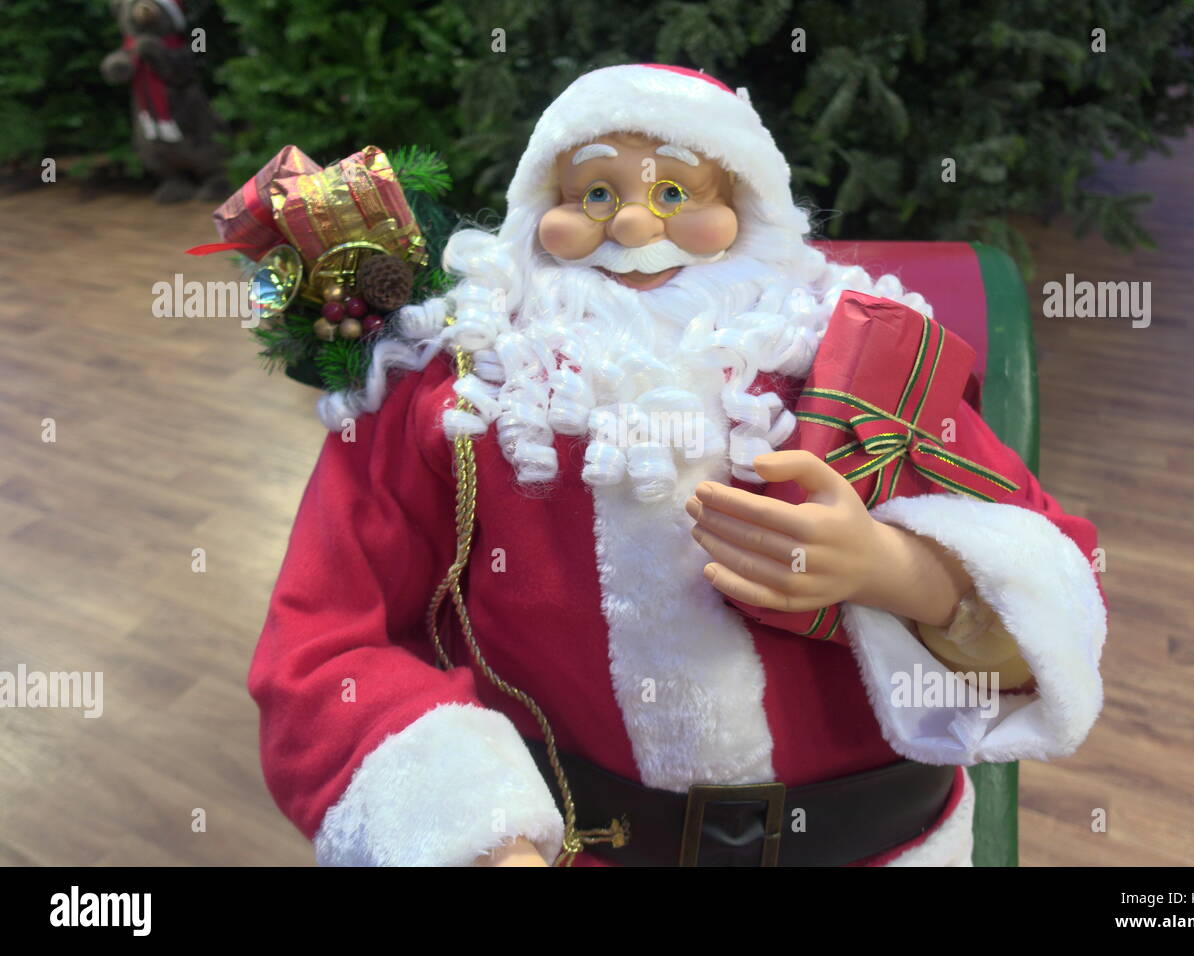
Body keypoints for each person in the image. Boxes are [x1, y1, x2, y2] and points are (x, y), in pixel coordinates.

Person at [249, 63, 1107, 867]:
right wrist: (477, 837)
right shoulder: (456, 393)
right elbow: (325, 647)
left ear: (745, 205)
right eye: (592, 193)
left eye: (672, 193)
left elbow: (1055, 575)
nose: (629, 225)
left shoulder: (859, 365)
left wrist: (900, 570)